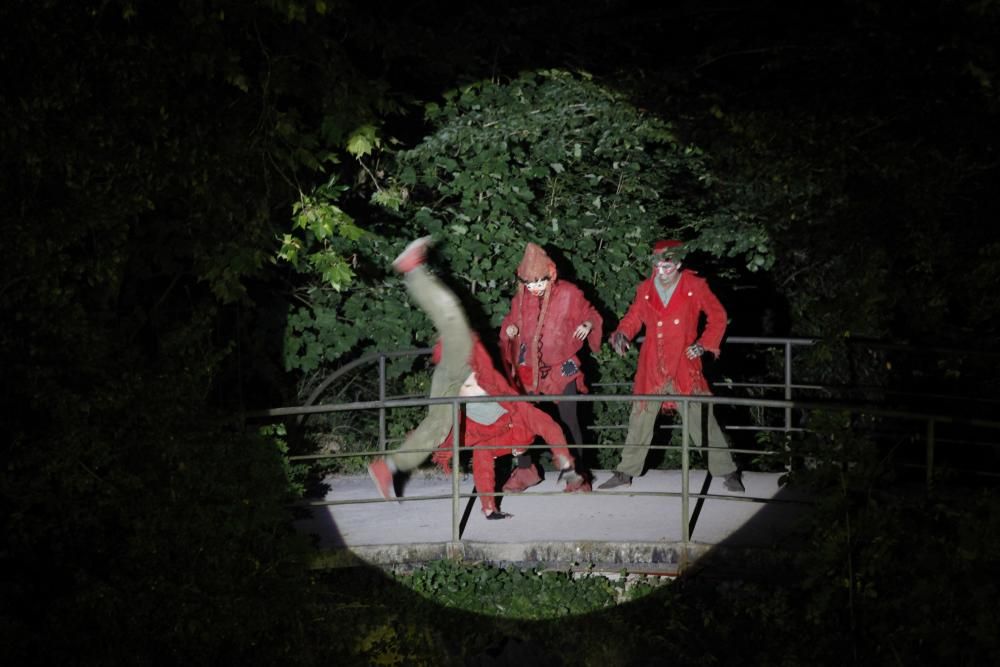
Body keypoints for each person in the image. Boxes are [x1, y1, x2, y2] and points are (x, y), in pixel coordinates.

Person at [367, 237, 585, 518]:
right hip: (469, 364)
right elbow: (551, 427)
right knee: (453, 320)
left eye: (518, 454)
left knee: (436, 428)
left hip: (450, 379)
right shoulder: (519, 413)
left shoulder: (486, 441)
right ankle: (413, 270)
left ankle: (387, 467)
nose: (518, 451)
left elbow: (484, 469)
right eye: (521, 451)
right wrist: (566, 465)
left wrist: (489, 509)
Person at [597, 239, 745, 492]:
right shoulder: (645, 289)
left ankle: (727, 470)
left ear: (678, 263)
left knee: (700, 419)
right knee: (640, 418)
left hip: (684, 365)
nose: (663, 271)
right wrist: (622, 333)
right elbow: (634, 317)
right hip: (653, 365)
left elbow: (718, 316)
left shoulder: (695, 286)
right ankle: (626, 471)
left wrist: (705, 344)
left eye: (668, 266)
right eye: (658, 265)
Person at [498, 243, 602, 492]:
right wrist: (510, 331)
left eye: (539, 282)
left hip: (561, 368)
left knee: (569, 420)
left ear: (551, 275)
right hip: (528, 371)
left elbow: (592, 315)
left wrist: (588, 325)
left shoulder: (568, 294)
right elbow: (510, 323)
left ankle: (577, 473)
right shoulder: (521, 298)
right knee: (523, 419)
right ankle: (525, 470)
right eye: (528, 283)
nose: (534, 288)